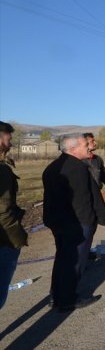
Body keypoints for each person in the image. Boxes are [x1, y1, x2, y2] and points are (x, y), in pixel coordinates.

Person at [43, 134, 105, 312]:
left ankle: (56, 296)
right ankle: (67, 299)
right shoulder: (78, 168)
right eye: (85, 144)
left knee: (63, 259)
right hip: (78, 224)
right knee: (75, 262)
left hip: (58, 222)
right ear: (73, 149)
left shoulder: (52, 167)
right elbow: (85, 199)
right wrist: (92, 220)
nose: (89, 147)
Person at [0, 121, 28, 310]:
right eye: (8, 139)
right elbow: (3, 211)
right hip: (4, 241)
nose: (10, 144)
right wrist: (17, 237)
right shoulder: (1, 171)